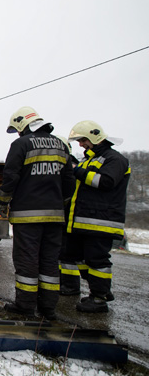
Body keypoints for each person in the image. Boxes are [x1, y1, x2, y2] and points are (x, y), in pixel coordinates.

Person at [0, 106, 75, 319]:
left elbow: (10, 177)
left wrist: (2, 202)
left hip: (27, 216)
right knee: (50, 261)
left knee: (27, 259)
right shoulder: (61, 146)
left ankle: (25, 306)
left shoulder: (21, 144)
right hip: (55, 216)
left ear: (23, 125)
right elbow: (69, 183)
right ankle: (48, 308)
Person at [60, 120, 130, 313]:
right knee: (78, 257)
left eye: (83, 140)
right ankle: (98, 290)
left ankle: (99, 298)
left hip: (102, 222)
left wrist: (76, 170)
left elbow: (105, 181)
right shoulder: (90, 159)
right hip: (83, 221)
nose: (81, 144)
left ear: (94, 137)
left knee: (97, 259)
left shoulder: (115, 159)